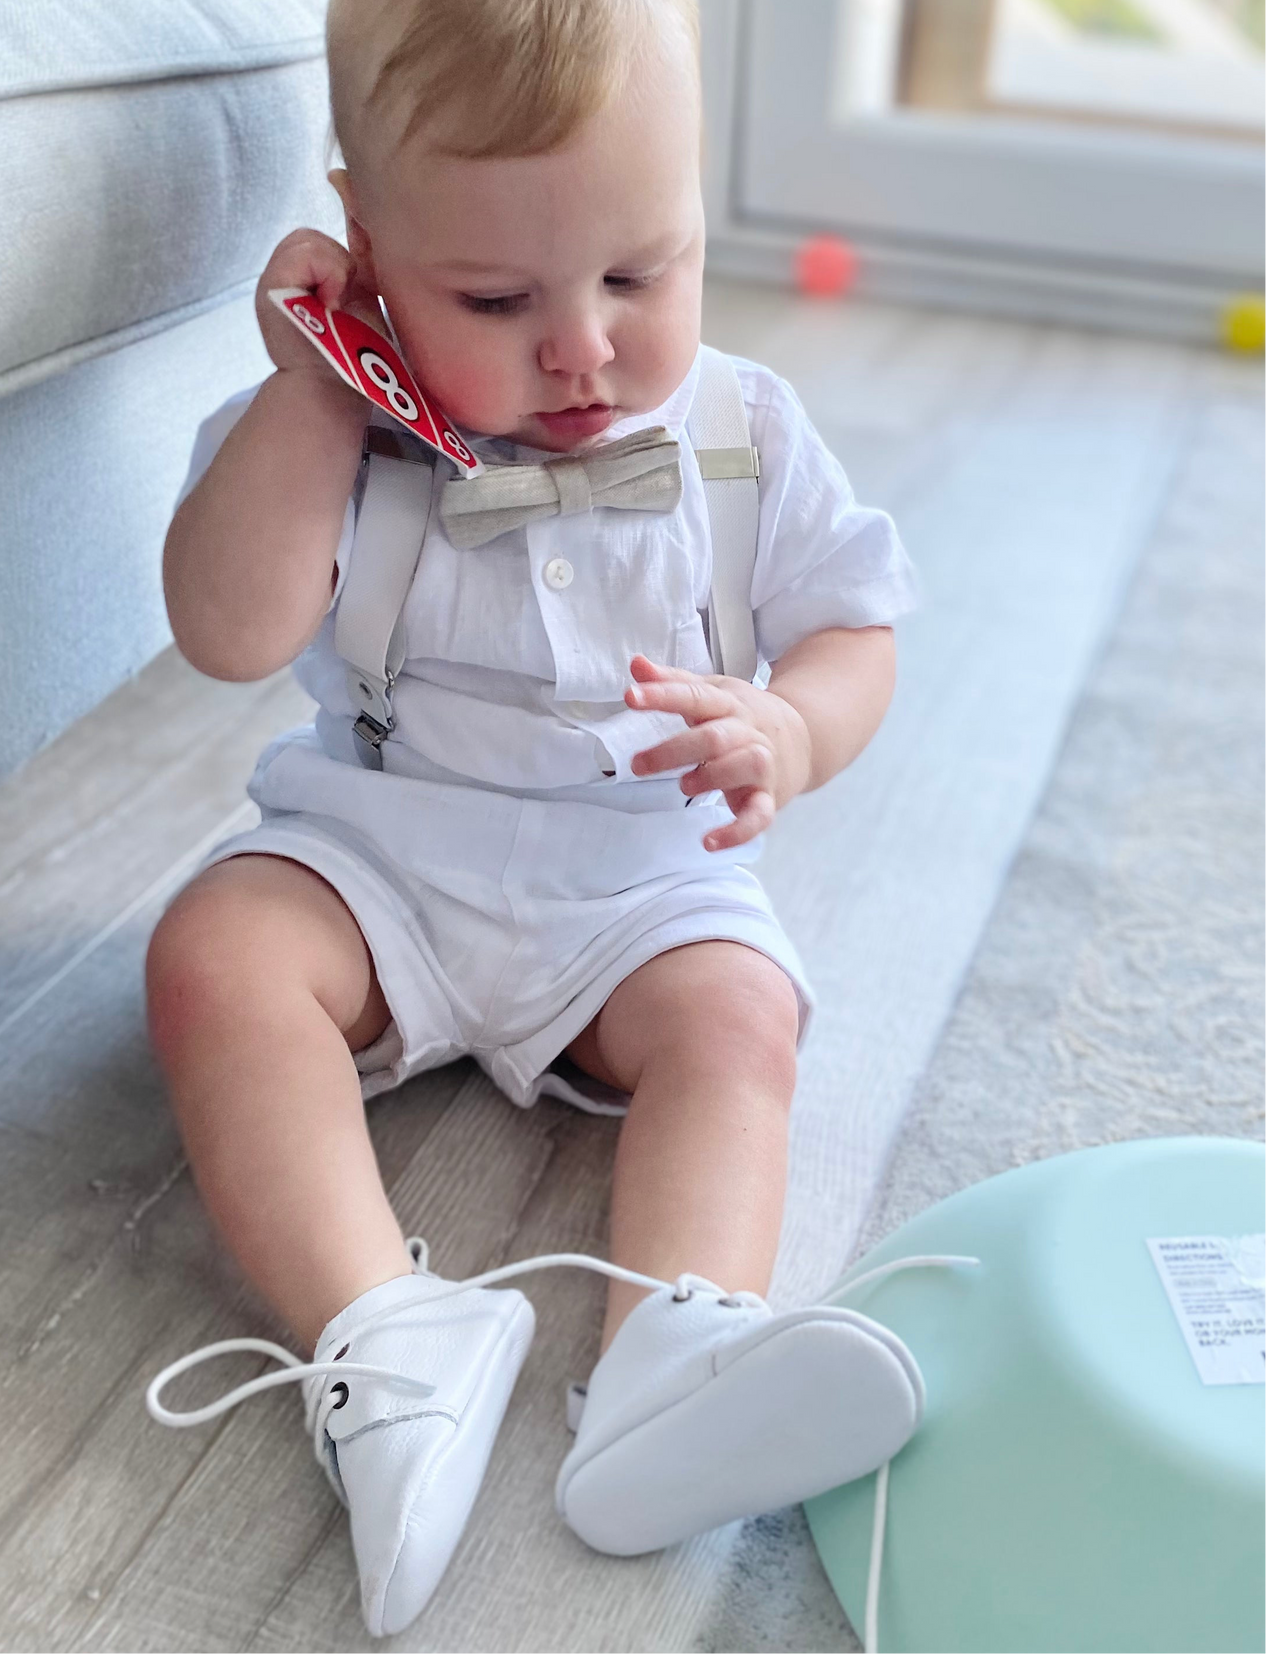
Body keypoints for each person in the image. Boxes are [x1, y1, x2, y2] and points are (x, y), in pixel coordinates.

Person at [144, 0, 924, 1635]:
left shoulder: (742, 433)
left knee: (741, 1017)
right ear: (368, 243)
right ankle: (383, 1327)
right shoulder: (336, 435)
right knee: (218, 956)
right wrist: (309, 393)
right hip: (380, 856)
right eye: (495, 298)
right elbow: (223, 629)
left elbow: (858, 628)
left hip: (640, 883)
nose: (583, 347)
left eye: (642, 273)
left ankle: (673, 1352)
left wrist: (793, 722)